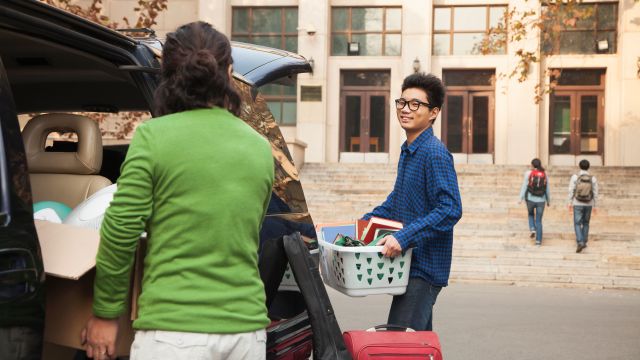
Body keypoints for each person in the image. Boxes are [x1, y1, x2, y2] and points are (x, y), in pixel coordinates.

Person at [82, 22, 274, 360]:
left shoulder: (153, 137)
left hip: (175, 333)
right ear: (229, 72)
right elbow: (245, 232)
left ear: (167, 76)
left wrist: (105, 313)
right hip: (247, 334)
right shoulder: (260, 148)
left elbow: (120, 230)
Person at [360, 73, 462, 331]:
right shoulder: (409, 150)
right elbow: (397, 201)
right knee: (416, 346)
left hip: (424, 269)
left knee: (398, 344)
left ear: (433, 113)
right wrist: (362, 225)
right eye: (402, 103)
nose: (405, 109)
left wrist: (403, 237)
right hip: (408, 266)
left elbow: (450, 209)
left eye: (415, 104)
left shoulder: (434, 153)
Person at [568, 159, 599, 253]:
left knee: (577, 223)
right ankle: (584, 241)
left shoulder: (575, 177)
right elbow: (595, 192)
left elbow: (571, 190)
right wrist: (595, 205)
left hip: (577, 203)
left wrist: (569, 202)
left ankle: (580, 241)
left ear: (579, 166)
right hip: (588, 203)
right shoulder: (592, 178)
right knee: (586, 223)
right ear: (588, 167)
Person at [519, 158, 550, 246]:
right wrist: (548, 200)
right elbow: (547, 189)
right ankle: (538, 242)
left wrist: (520, 198)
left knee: (531, 214)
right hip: (541, 200)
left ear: (532, 165)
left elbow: (524, 186)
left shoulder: (528, 173)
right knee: (539, 221)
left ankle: (532, 228)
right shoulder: (544, 174)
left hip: (530, 199)